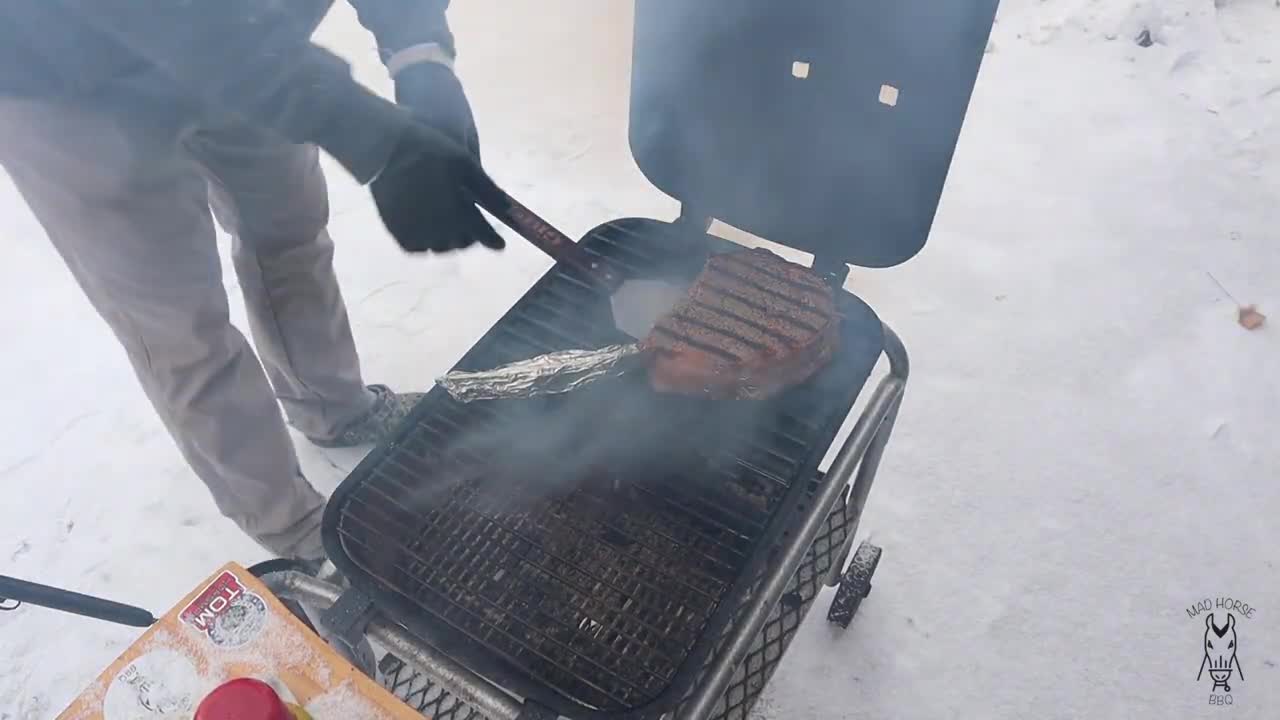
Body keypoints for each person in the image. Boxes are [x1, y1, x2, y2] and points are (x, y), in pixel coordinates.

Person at [0, 1, 508, 563]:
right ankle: (291, 530)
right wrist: (361, 129)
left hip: (253, 34)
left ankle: (332, 408)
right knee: (180, 330)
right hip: (68, 83)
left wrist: (420, 54)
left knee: (290, 236)